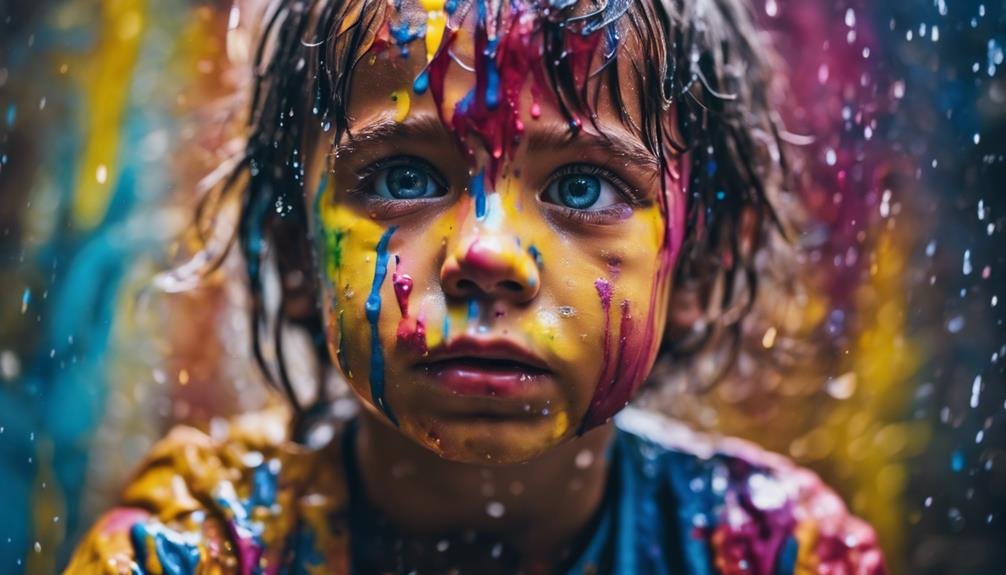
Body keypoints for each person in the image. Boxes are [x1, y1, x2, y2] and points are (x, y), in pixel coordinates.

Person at [67, 0, 886, 572]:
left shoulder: (774, 551)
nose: (488, 253)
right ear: (295, 252)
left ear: (696, 260)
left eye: (582, 189)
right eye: (404, 173)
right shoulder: (192, 551)